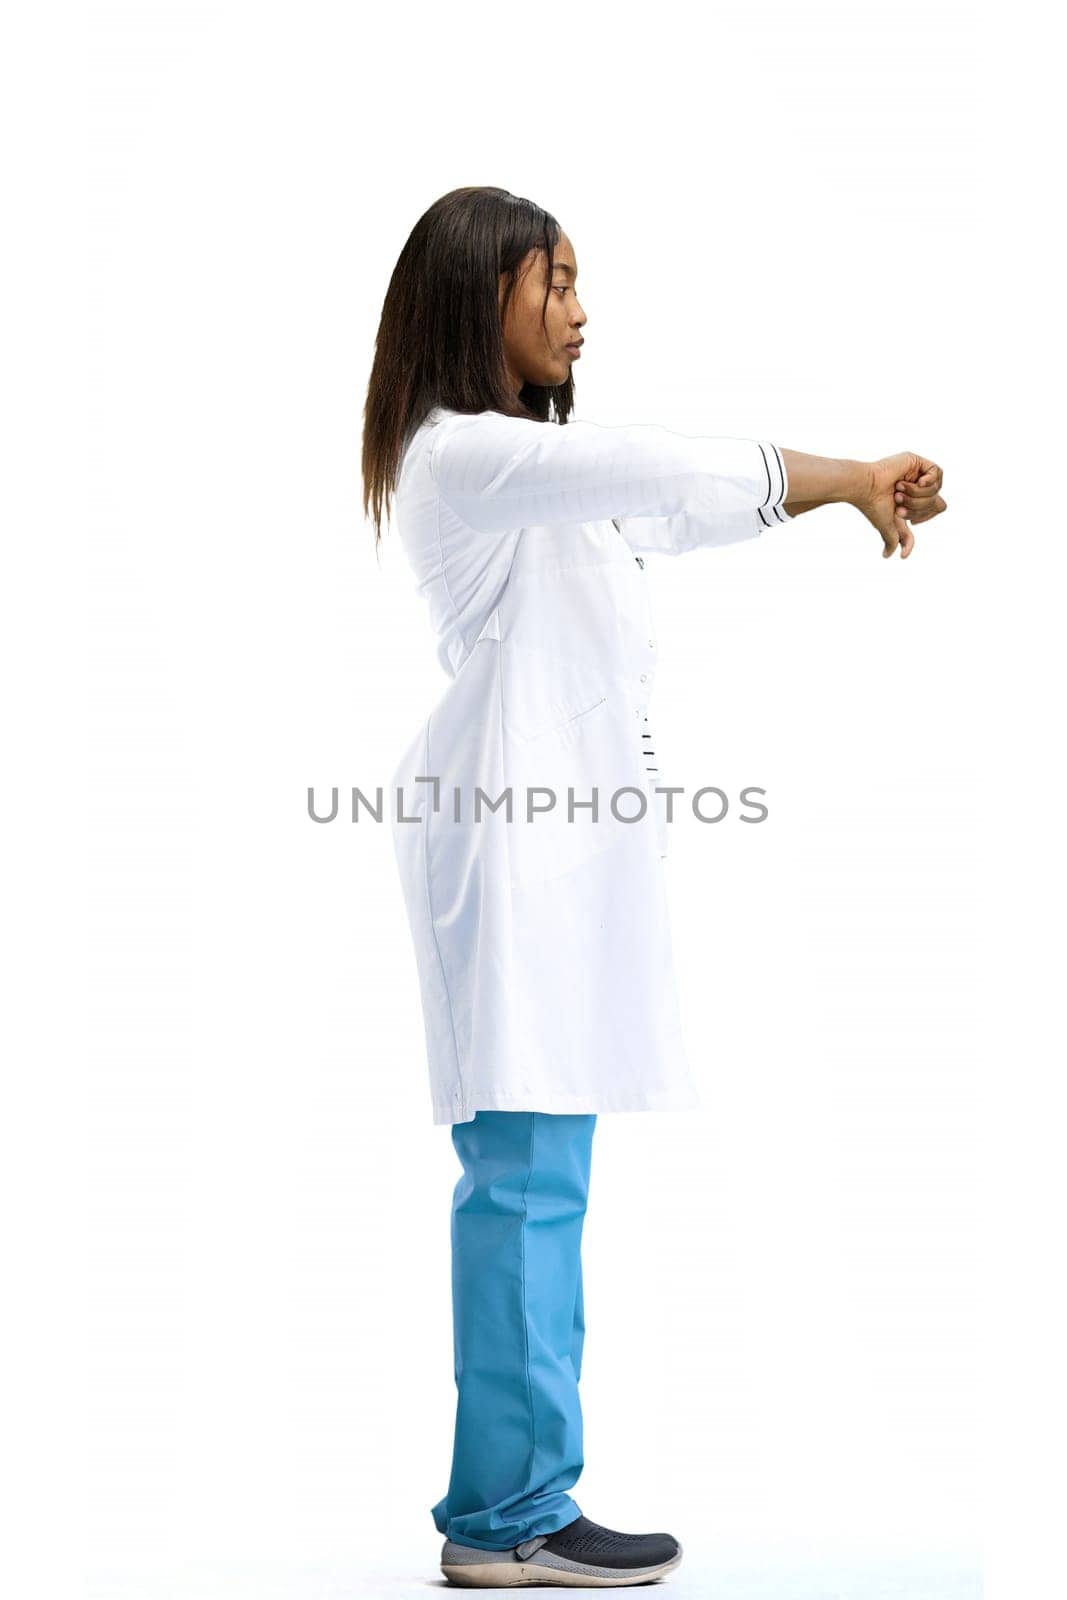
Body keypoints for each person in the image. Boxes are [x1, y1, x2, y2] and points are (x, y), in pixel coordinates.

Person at [361, 186, 947, 1589]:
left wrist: (839, 496)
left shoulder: (545, 494)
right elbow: (656, 469)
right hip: (508, 865)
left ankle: (525, 1505)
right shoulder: (461, 457)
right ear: (472, 294)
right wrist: (851, 464)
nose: (579, 307)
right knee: (520, 1187)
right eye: (551, 280)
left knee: (543, 1182)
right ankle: (499, 1521)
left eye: (578, 282)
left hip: (559, 871)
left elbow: (678, 515)